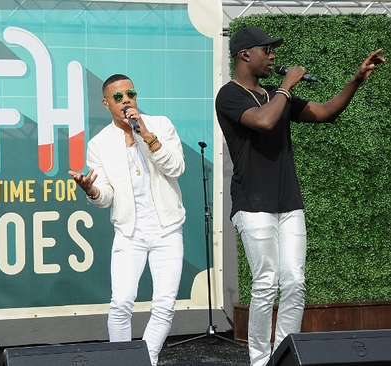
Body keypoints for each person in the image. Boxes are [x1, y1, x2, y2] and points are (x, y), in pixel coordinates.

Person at [215, 26, 385, 366]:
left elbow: (325, 113)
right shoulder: (229, 95)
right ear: (245, 54)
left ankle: (284, 357)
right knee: (265, 282)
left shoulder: (276, 96)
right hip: (253, 204)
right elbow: (263, 122)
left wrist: (356, 80)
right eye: (267, 50)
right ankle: (260, 361)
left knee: (295, 281)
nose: (274, 56)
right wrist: (286, 86)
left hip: (288, 203)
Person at [68, 74, 186, 366]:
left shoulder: (159, 125)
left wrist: (148, 136)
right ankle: (120, 361)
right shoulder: (99, 144)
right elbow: (105, 196)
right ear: (106, 103)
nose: (126, 101)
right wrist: (91, 189)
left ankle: (148, 359)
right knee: (121, 303)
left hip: (167, 230)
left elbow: (177, 168)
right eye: (118, 97)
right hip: (129, 233)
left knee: (164, 305)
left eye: (130, 94)